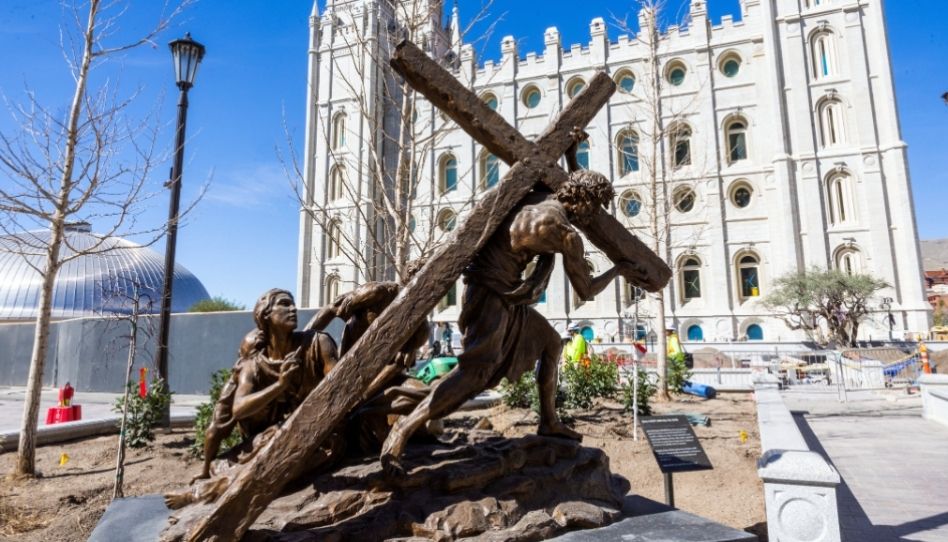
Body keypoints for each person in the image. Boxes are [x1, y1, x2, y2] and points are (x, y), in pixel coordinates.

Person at [379, 129, 657, 475]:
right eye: (595, 209)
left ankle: (549, 421)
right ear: (585, 204)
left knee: (552, 343)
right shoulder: (564, 234)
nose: (594, 219)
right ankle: (402, 429)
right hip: (492, 297)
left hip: (501, 294)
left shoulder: (540, 195)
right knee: (474, 374)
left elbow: (570, 185)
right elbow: (585, 291)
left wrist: (572, 153)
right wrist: (619, 269)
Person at [192, 288, 339, 483]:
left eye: (293, 304)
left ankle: (207, 492)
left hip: (319, 432)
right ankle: (210, 486)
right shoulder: (253, 363)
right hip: (272, 433)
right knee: (220, 465)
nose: (293, 309)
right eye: (285, 304)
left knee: (275, 453)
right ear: (266, 314)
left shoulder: (318, 343)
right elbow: (238, 408)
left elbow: (340, 385)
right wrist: (280, 385)